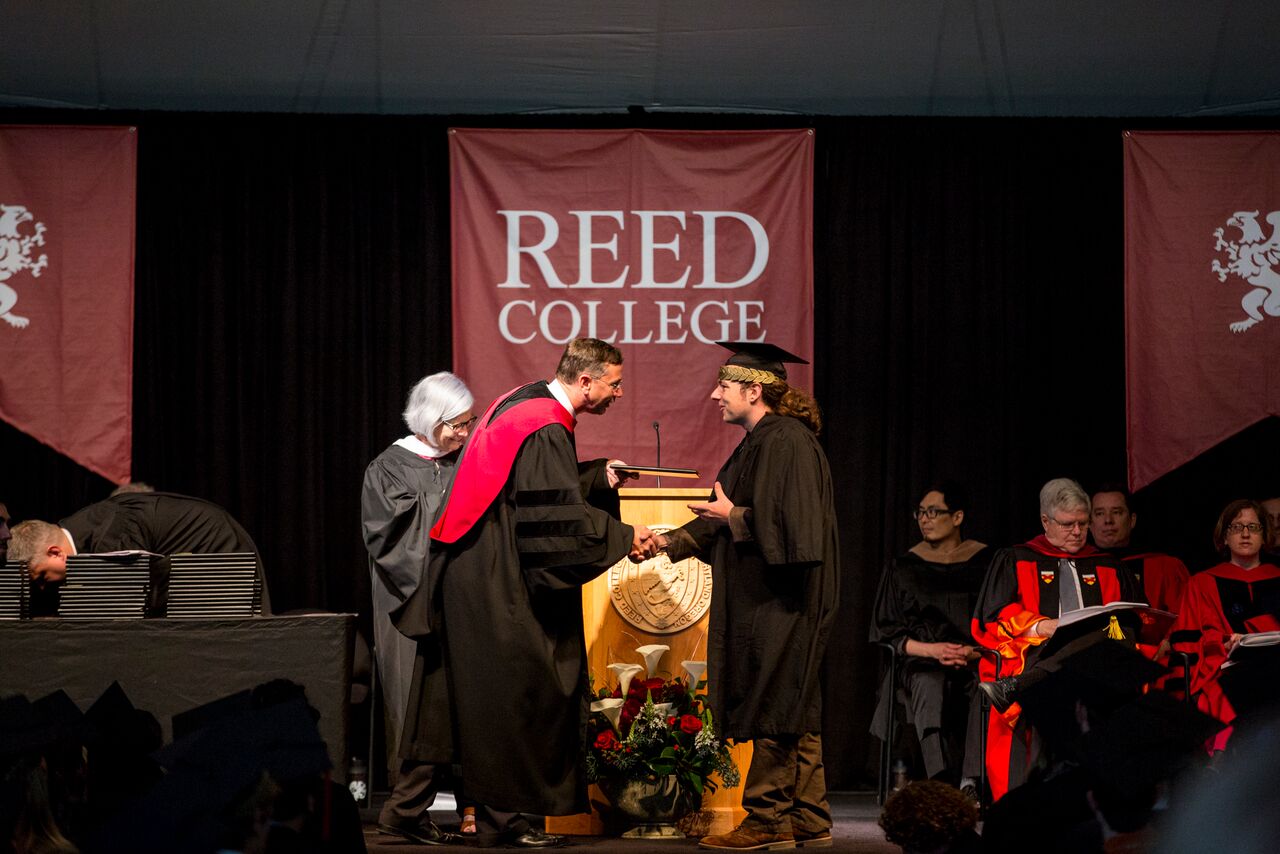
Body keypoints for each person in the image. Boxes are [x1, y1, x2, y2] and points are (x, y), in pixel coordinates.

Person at [394, 338, 652, 849]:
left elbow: (522, 491)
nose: (619, 394)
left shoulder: (524, 400)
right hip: (497, 575)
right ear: (586, 381)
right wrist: (625, 536)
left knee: (449, 693)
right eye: (614, 384)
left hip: (466, 569)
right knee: (513, 691)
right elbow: (549, 520)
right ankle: (505, 823)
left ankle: (404, 809)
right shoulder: (546, 426)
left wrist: (594, 476)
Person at [650, 342, 839, 851]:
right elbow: (725, 514)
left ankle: (768, 819)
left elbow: (794, 531)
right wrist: (667, 542)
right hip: (768, 597)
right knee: (794, 699)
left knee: (776, 698)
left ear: (754, 390)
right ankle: (808, 815)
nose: (714, 395)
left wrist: (732, 517)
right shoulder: (761, 442)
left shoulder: (786, 442)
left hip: (783, 599)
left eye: (724, 386)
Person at [971, 477, 1138, 801]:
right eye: (1067, 524)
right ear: (1045, 521)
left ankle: (1022, 686)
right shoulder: (1016, 559)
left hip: (1102, 659)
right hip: (1035, 651)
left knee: (1117, 634)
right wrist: (1038, 626)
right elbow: (993, 616)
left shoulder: (1108, 565)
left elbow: (1131, 622)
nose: (1077, 532)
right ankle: (1025, 802)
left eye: (1082, 523)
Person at [361, 371, 474, 845]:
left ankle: (475, 806)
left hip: (465, 601)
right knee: (413, 700)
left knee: (472, 699)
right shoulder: (388, 467)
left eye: (469, 424)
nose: (464, 434)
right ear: (430, 420)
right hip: (411, 603)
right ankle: (410, 809)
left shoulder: (468, 458)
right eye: (456, 425)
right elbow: (388, 539)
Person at [870, 482, 989, 798]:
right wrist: (934, 650)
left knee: (984, 686)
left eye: (934, 512)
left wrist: (973, 652)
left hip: (974, 658)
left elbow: (1000, 621)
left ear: (958, 517)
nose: (925, 519)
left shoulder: (986, 562)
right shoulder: (904, 566)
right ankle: (940, 779)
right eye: (920, 513)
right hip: (921, 659)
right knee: (928, 682)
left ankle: (970, 783)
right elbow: (886, 632)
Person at [8, 491, 270, 613]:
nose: (43, 588)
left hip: (218, 555)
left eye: (41, 577)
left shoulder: (109, 537)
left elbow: (130, 601)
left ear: (55, 553)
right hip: (190, 563)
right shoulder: (84, 529)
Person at [1169, 499, 1280, 754]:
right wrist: (1221, 642)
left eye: (1253, 527)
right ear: (1224, 537)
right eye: (1236, 527)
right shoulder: (1201, 584)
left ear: (1264, 536)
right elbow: (1186, 643)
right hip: (1225, 672)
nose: (1245, 533)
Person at [1089, 484, 1189, 616]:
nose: (1108, 520)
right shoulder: (1075, 568)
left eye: (1117, 512)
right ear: (1089, 523)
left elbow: (1184, 620)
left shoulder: (1166, 568)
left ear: (1132, 520)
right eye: (1100, 513)